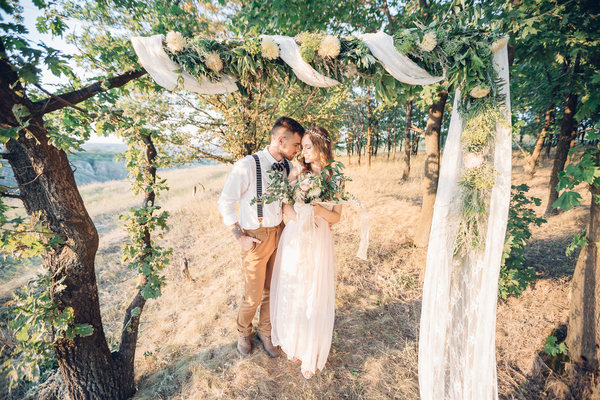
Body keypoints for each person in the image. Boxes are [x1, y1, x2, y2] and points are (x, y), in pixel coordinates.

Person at [217, 116, 305, 358]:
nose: (298, 150)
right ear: (280, 140)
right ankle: (243, 331)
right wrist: (239, 237)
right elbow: (225, 203)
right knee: (253, 295)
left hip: (281, 233)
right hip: (255, 236)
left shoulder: (288, 167)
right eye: (296, 145)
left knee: (273, 289)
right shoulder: (247, 165)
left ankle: (266, 332)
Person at [270, 126, 343, 379]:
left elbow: (337, 216)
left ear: (322, 148)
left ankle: (310, 352)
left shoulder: (335, 177)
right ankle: (294, 341)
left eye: (308, 147)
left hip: (319, 237)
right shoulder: (298, 172)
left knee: (314, 291)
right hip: (296, 235)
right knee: (295, 288)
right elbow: (286, 204)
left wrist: (318, 211)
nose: (302, 151)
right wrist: (300, 218)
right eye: (301, 147)